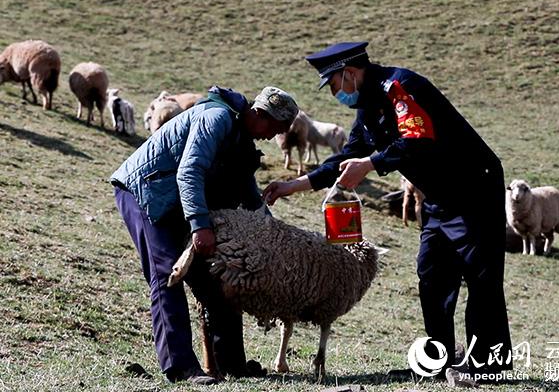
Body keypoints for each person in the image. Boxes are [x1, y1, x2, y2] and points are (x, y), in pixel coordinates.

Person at [263, 42, 512, 382]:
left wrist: (370, 164)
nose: (334, 92)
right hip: (438, 198)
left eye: (334, 84)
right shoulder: (367, 109)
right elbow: (344, 158)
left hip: (473, 191)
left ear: (349, 73)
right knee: (432, 274)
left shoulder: (399, 88)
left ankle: (487, 366)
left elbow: (417, 140)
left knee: (480, 277)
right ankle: (436, 362)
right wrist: (293, 185)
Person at [110, 85, 299, 384]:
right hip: (145, 190)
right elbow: (190, 170)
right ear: (260, 114)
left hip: (178, 200)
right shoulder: (217, 118)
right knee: (167, 274)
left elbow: (248, 194)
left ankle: (232, 365)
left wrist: (275, 236)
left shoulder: (241, 139)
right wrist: (199, 225)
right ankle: (181, 368)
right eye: (274, 128)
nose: (273, 137)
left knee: (215, 279)